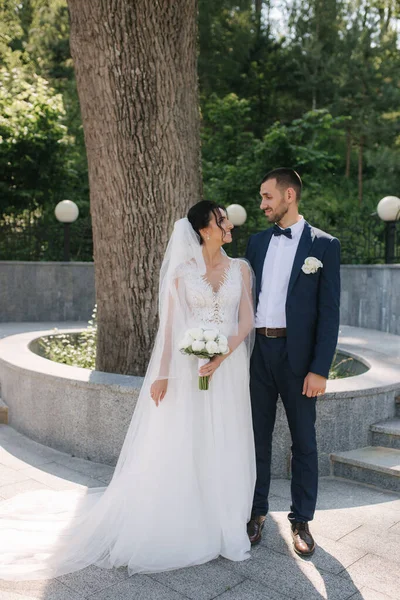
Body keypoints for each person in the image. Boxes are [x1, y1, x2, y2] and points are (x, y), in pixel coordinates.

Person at [0, 200, 256, 580]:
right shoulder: (181, 274)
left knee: (227, 438)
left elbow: (247, 320)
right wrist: (163, 374)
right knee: (191, 438)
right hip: (189, 368)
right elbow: (169, 329)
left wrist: (221, 357)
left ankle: (226, 519)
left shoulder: (241, 269)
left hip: (229, 368)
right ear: (204, 229)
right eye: (222, 220)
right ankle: (192, 515)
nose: (229, 225)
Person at [245, 168, 340, 556]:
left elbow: (329, 312)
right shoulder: (255, 242)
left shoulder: (325, 245)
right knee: (256, 438)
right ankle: (255, 511)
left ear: (288, 195)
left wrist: (320, 368)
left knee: (304, 441)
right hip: (259, 353)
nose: (262, 204)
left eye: (267, 197)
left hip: (299, 360)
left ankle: (301, 520)